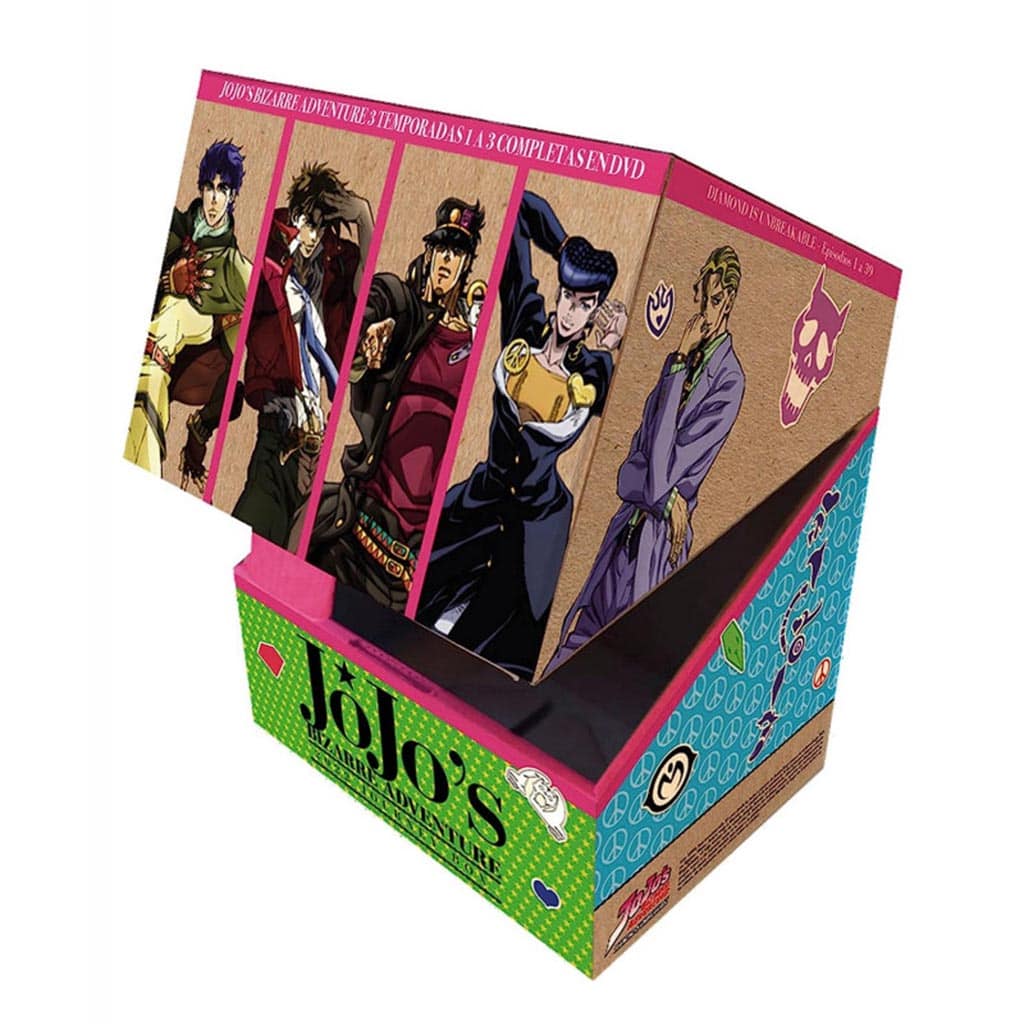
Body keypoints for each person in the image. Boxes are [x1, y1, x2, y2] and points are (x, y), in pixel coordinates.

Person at [415, 191, 626, 679]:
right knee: (420, 589)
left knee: (492, 652)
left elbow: (625, 410)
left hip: (534, 523)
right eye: (568, 297)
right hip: (483, 498)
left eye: (585, 305)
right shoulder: (524, 325)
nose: (571, 312)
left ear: (596, 311)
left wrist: (615, 344)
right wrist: (565, 246)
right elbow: (520, 211)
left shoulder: (594, 370)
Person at [546, 245, 746, 673]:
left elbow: (658, 477)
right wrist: (666, 497)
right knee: (567, 657)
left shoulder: (728, 381)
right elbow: (628, 474)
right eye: (703, 298)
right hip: (623, 539)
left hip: (656, 554)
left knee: (617, 675)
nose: (706, 312)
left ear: (728, 300)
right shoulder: (678, 363)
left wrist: (678, 366)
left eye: (715, 301)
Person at [306, 197, 486, 609]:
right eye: (441, 247)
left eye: (457, 252)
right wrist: (370, 330)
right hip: (361, 530)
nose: (446, 259)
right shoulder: (404, 306)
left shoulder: (473, 343)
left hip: (412, 563)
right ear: (429, 251)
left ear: (467, 264)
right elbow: (375, 304)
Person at [232, 162, 373, 546]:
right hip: (278, 430)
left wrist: (363, 218)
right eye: (307, 223)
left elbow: (361, 288)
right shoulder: (275, 259)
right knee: (252, 532)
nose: (312, 236)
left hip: (315, 439)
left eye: (321, 226)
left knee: (291, 553)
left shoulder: (334, 269)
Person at [125, 139, 251, 481]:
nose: (214, 199)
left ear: (233, 196)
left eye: (223, 189)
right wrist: (168, 279)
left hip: (166, 370)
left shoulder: (233, 266)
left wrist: (205, 425)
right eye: (209, 187)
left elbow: (238, 343)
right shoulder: (174, 226)